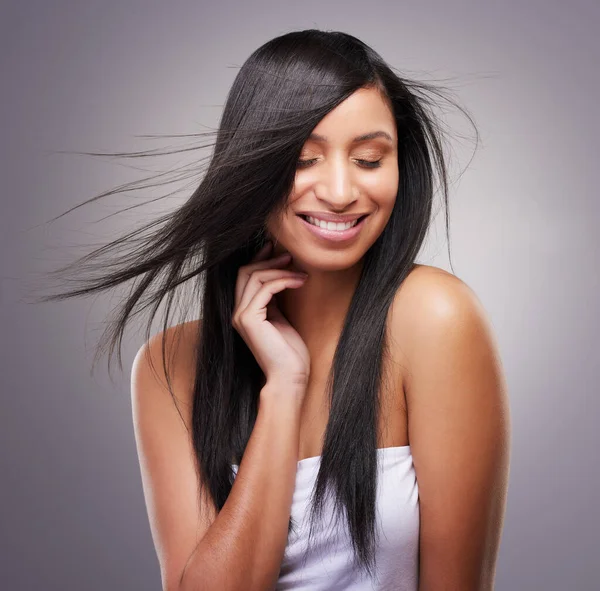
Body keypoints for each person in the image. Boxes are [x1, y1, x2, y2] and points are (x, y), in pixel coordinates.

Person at [37, 29, 511, 590]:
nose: (340, 191)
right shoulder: (169, 366)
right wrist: (283, 389)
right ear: (250, 167)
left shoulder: (434, 318)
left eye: (367, 158)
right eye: (304, 159)